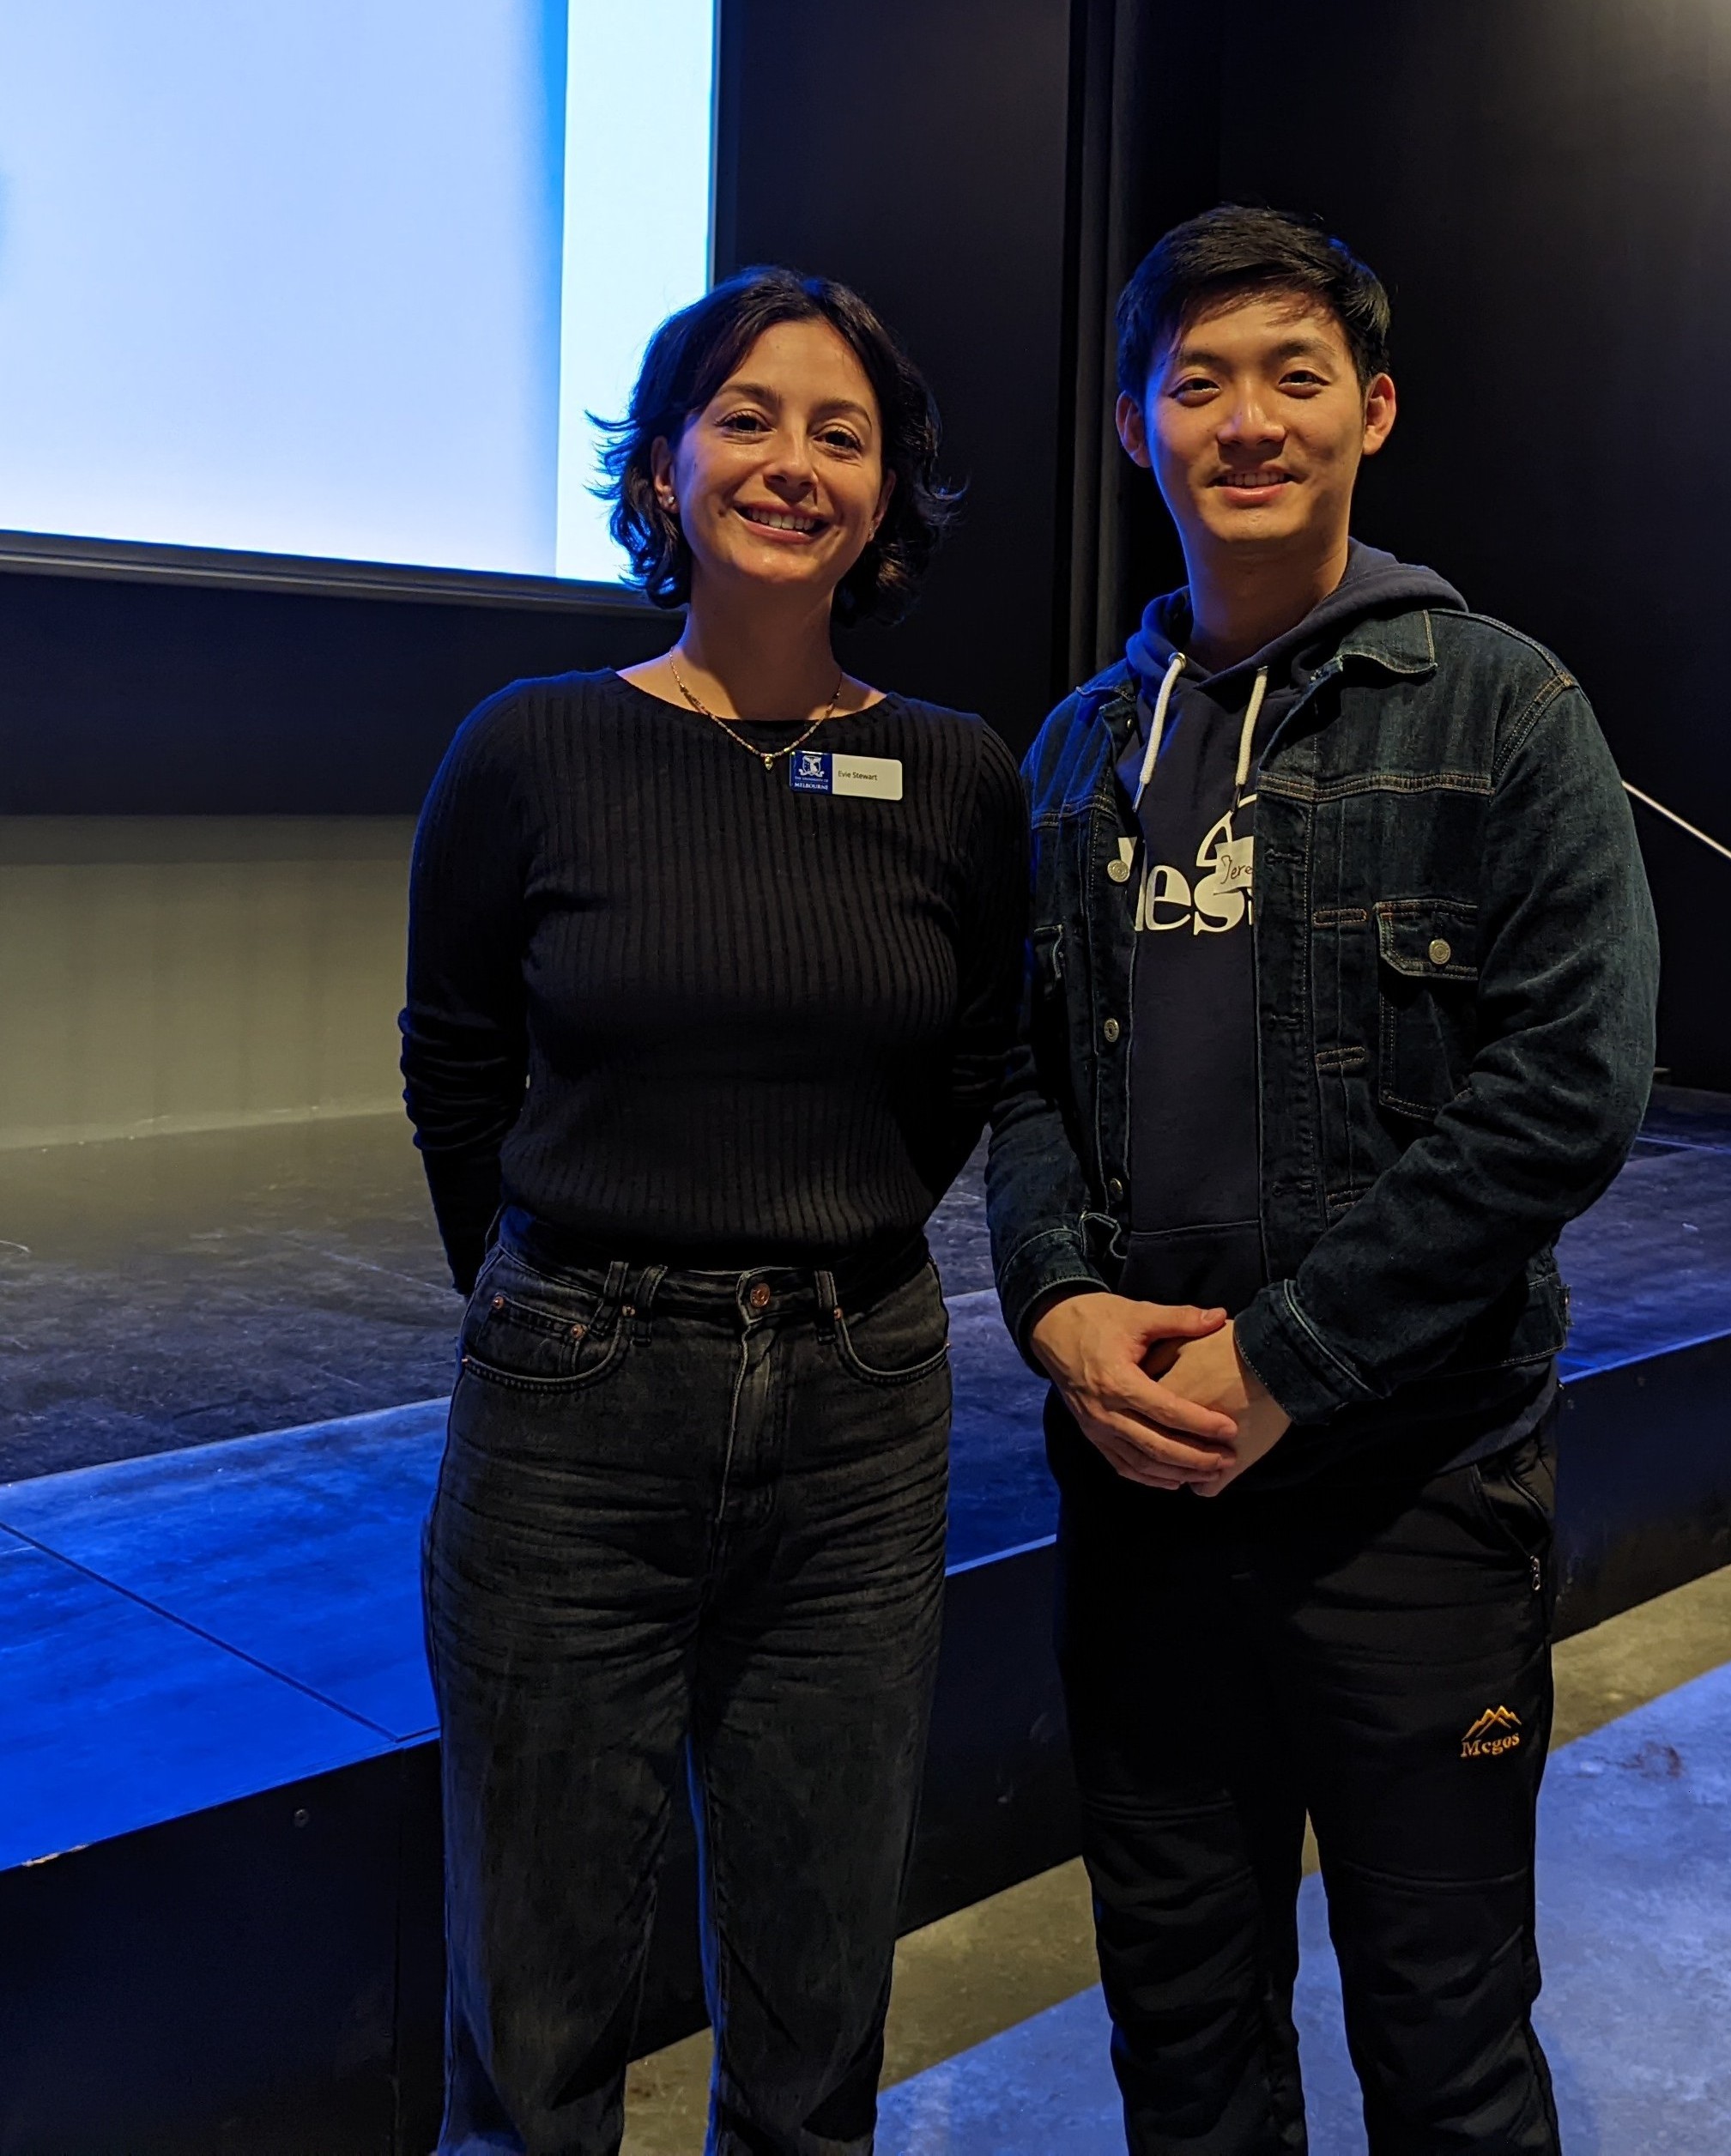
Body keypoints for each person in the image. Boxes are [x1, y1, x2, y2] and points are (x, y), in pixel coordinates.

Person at [986, 205, 1658, 2153]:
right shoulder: (1078, 750)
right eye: (1197, 380)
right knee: (1183, 2053)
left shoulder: (1503, 706)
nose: (1246, 420)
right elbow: (1026, 1079)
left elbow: (1568, 1086)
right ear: (1134, 426)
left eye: (1293, 375)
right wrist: (1054, 1301)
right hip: (1140, 1511)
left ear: (1370, 409)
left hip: (1412, 1501)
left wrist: (1284, 1358)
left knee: (1447, 2055)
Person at [402, 264, 1027, 2156]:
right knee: (534, 1998)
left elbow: (966, 1069)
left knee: (822, 1979)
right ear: (665, 467)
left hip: (859, 1403)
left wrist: (814, 1245)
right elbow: (457, 1069)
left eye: (841, 431)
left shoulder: (954, 770)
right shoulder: (530, 744)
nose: (791, 460)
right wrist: (554, 1292)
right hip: (574, 1397)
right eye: (746, 416)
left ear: (885, 492)